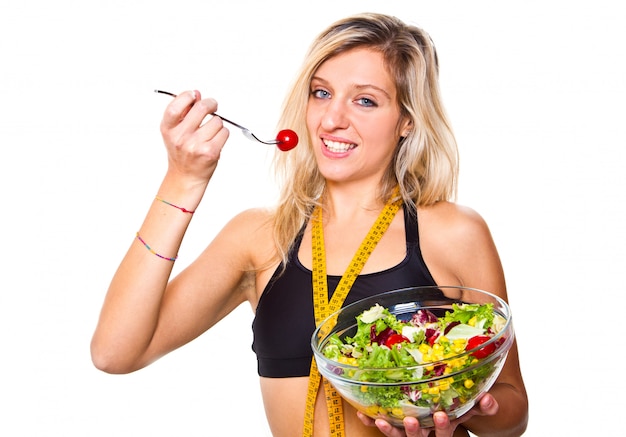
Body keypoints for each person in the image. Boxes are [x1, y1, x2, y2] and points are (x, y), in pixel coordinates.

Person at [91, 12, 528, 437]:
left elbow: (513, 414)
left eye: (365, 100)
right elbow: (114, 353)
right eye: (321, 93)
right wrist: (183, 180)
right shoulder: (261, 239)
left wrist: (465, 411)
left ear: (407, 120)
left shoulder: (453, 232)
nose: (332, 119)